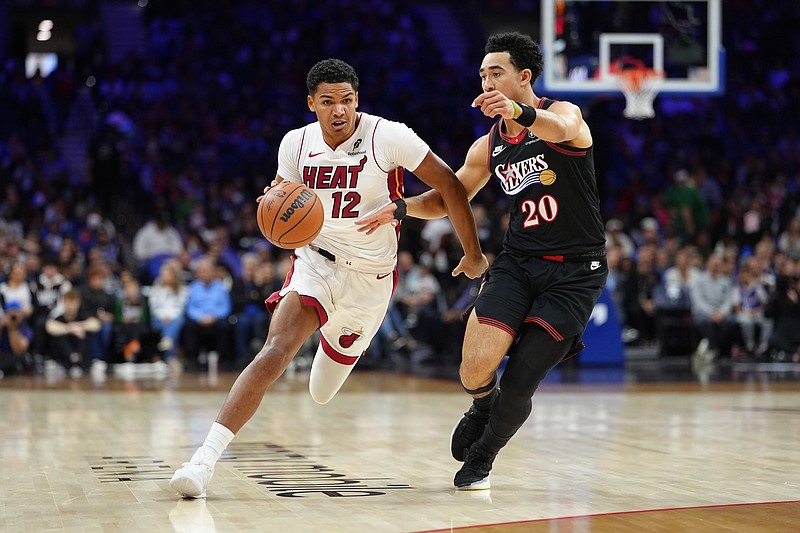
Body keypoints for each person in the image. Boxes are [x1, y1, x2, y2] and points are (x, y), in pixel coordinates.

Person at [169, 58, 487, 498]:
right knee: (275, 350)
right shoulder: (295, 144)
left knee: (321, 391)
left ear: (358, 99)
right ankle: (202, 461)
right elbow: (280, 200)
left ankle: (335, 345)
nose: (339, 110)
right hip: (315, 263)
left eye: (347, 100)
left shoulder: (387, 136)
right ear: (311, 104)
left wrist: (472, 254)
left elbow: (451, 185)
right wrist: (272, 203)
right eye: (328, 102)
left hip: (370, 281)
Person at [358, 32, 607, 490]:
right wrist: (400, 206)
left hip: (574, 272)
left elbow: (562, 130)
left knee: (520, 381)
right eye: (483, 74)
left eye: (497, 72)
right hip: (517, 262)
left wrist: (519, 113)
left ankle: (486, 454)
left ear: (524, 77)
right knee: (473, 368)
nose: (487, 80)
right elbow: (448, 198)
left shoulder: (564, 114)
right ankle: (482, 406)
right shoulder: (487, 145)